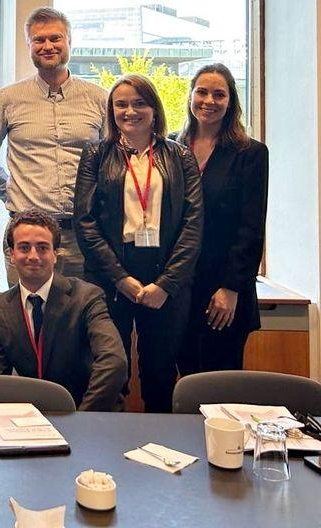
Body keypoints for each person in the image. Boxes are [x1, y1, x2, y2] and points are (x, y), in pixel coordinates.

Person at [75, 74, 203, 413]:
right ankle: (108, 442)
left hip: (165, 275)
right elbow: (85, 222)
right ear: (111, 110)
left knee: (160, 373)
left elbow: (193, 224)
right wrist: (120, 278)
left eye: (139, 103)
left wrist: (167, 284)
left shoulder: (179, 155)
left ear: (154, 109)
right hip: (110, 275)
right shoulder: (96, 154)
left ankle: (159, 443)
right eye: (121, 104)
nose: (130, 111)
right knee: (110, 370)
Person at [0, 7, 107, 280]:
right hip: (25, 234)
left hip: (83, 235)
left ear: (69, 42)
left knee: (81, 306)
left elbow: (114, 159)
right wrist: (8, 190)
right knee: (26, 307)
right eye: (38, 40)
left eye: (55, 38)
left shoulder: (99, 98)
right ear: (29, 45)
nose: (47, 46)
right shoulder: (7, 99)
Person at [0, 210, 127, 412]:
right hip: (32, 419)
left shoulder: (87, 298)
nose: (33, 256)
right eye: (24, 248)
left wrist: (82, 417)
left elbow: (114, 362)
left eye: (42, 248)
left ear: (55, 255)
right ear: (12, 254)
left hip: (91, 412)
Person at [175, 64, 268, 374]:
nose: (209, 101)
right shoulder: (173, 147)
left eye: (219, 94)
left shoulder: (249, 153)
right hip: (180, 286)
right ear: (190, 95)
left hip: (223, 289)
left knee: (219, 382)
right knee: (184, 381)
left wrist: (231, 288)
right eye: (202, 92)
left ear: (231, 102)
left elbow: (251, 228)